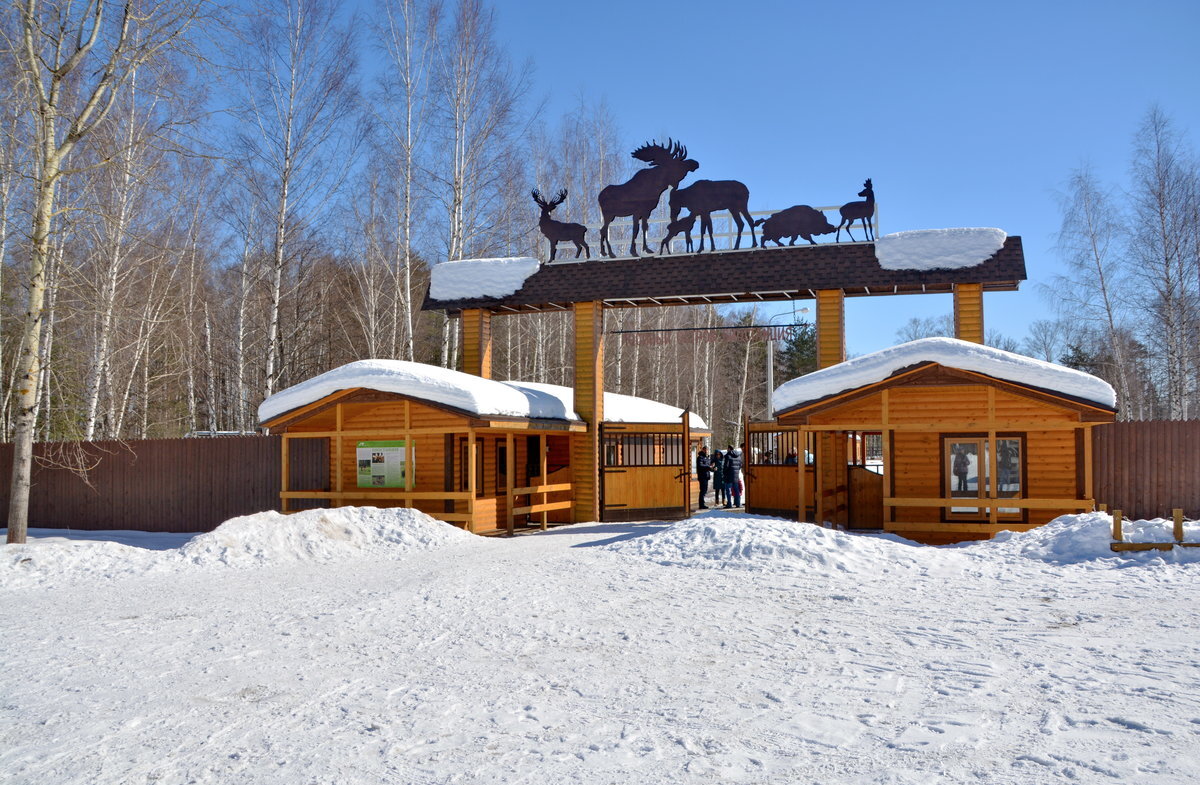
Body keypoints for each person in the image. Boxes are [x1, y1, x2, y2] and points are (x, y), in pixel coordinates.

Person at [723, 443, 744, 508]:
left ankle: (729, 503)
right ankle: (738, 503)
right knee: (736, 489)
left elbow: (726, 466)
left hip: (729, 476)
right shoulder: (738, 456)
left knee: (728, 490)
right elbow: (740, 465)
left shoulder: (728, 456)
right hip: (736, 475)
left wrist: (724, 473)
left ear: (729, 448)